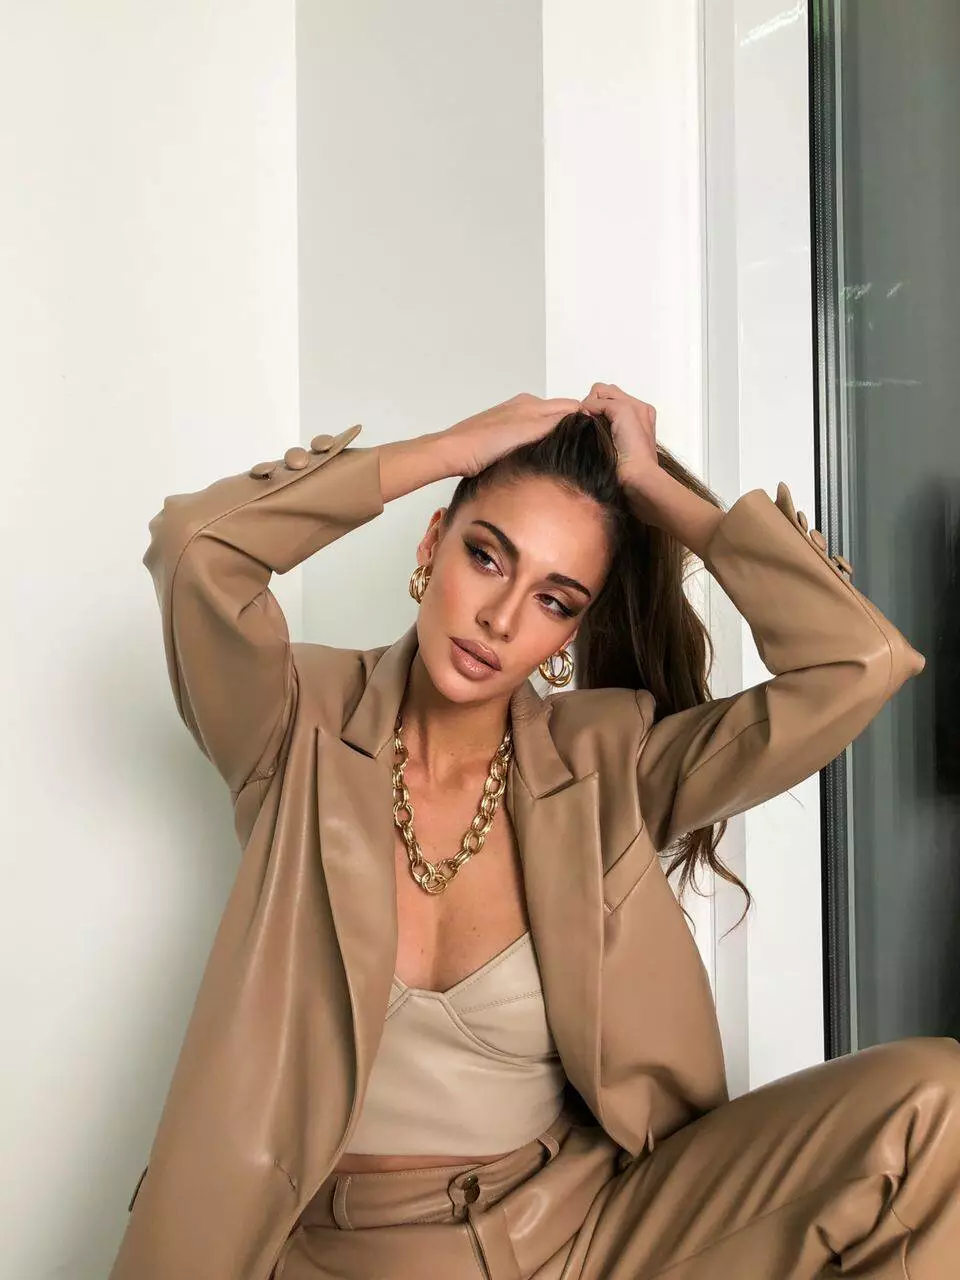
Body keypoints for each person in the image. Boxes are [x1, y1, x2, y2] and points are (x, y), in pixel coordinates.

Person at [112, 386, 960, 1280]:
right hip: (328, 1255)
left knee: (935, 1106)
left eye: (555, 600)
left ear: (570, 633)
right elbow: (197, 550)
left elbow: (856, 664)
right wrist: (446, 449)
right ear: (431, 546)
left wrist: (661, 495)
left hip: (579, 1240)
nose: (502, 618)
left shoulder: (607, 762)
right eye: (486, 556)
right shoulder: (295, 725)